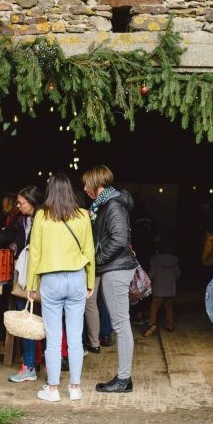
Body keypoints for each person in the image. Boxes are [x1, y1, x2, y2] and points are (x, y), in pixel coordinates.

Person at [26, 173, 95, 402]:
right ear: (70, 191)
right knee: (76, 337)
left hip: (51, 281)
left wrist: (30, 285)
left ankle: (53, 389)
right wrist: (90, 281)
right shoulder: (83, 216)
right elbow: (89, 251)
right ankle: (75, 388)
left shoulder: (41, 217)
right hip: (76, 279)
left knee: (53, 339)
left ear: (50, 192)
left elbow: (34, 253)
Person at [82, 165, 138, 393]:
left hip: (115, 269)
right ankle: (124, 377)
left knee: (121, 325)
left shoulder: (113, 204)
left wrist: (98, 260)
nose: (85, 189)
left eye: (86, 184)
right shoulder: (104, 204)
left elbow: (118, 240)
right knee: (121, 323)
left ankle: (124, 380)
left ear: (97, 184)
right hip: (114, 268)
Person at [7, 185, 45, 383]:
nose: (18, 206)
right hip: (24, 278)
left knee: (50, 321)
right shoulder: (21, 220)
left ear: (33, 202)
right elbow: (8, 237)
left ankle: (50, 365)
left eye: (22, 203)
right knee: (26, 320)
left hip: (44, 277)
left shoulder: (46, 220)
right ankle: (29, 365)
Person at [143, 238, 180, 336]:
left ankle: (152, 325)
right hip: (170, 289)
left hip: (159, 289)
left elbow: (151, 275)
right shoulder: (174, 261)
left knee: (154, 308)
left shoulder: (155, 260)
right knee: (169, 307)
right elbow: (177, 275)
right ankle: (170, 326)